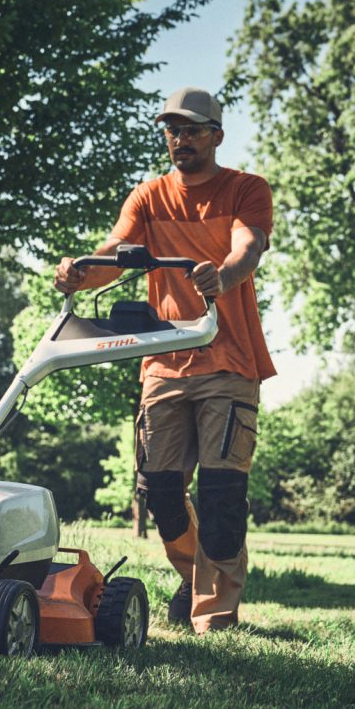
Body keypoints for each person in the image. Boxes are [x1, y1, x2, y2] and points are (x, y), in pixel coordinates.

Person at [55, 86, 274, 634]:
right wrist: (80, 272)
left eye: (192, 130)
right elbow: (116, 251)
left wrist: (222, 276)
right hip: (162, 364)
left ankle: (214, 617)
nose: (180, 139)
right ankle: (194, 577)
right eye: (173, 131)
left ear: (216, 136)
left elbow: (248, 247)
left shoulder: (245, 189)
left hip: (228, 360)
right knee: (160, 490)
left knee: (222, 495)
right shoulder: (149, 196)